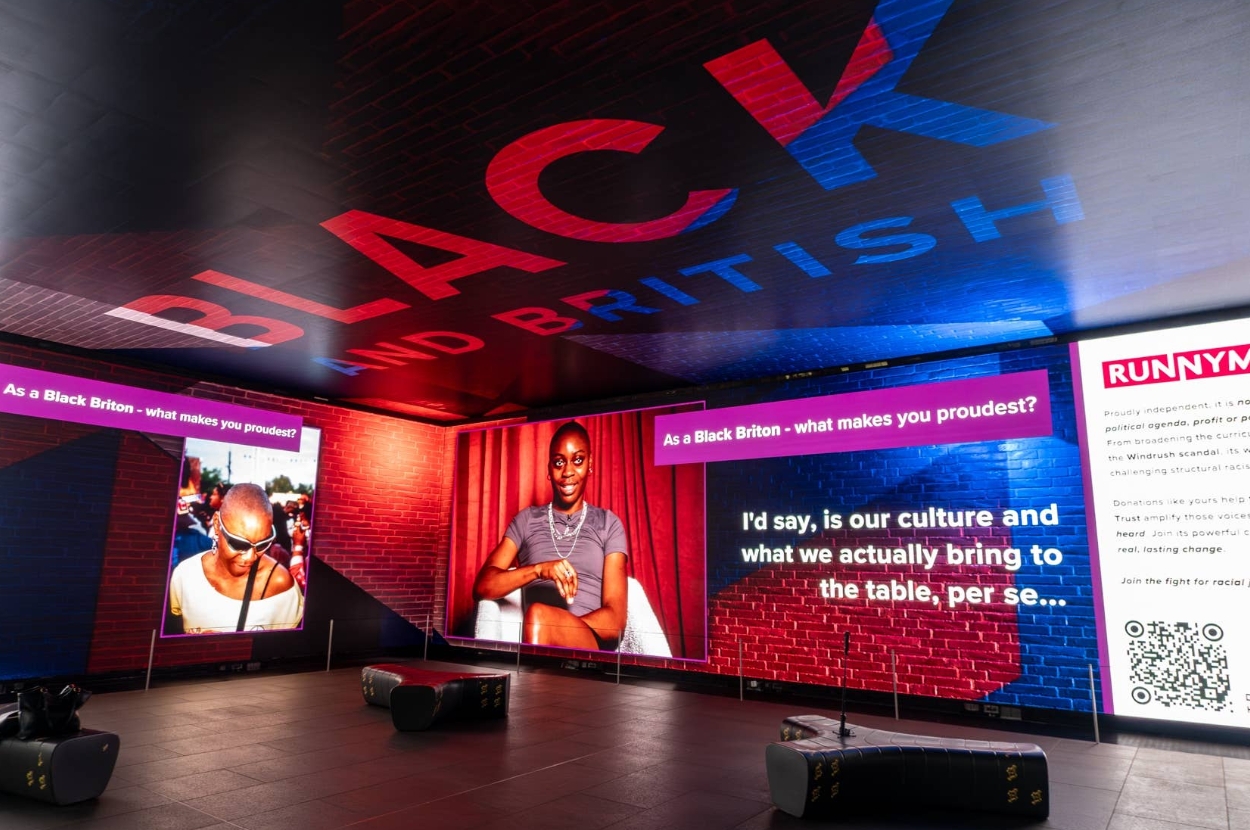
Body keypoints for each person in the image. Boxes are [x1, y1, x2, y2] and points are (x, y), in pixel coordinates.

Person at [473, 421, 628, 650]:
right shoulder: (526, 520)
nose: (567, 472)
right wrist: (539, 570)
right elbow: (483, 587)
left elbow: (615, 621)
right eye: (558, 462)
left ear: (590, 464)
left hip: (588, 646)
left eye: (578, 460)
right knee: (537, 618)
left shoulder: (608, 523)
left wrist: (555, 630)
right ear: (548, 469)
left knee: (538, 616)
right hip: (537, 639)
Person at [168, 483, 304, 634]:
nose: (250, 557)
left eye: (263, 544)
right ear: (217, 524)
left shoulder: (280, 584)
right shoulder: (185, 575)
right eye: (238, 543)